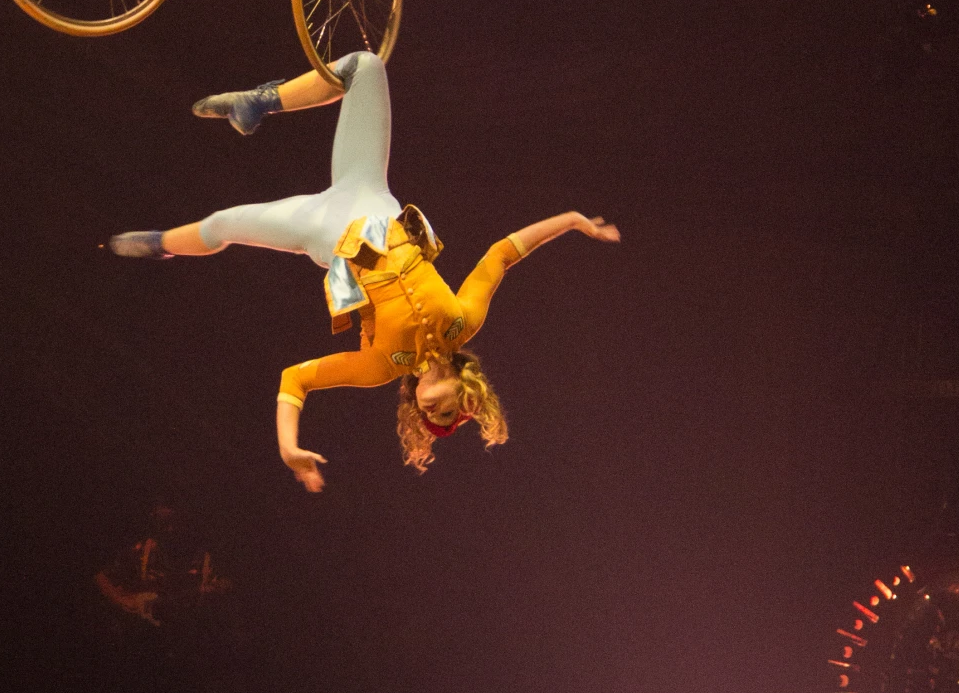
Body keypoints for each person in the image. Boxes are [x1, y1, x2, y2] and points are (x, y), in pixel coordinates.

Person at [110, 53, 619, 491]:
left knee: (222, 225)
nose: (434, 411)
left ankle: (160, 246)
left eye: (429, 417)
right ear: (467, 394)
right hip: (372, 194)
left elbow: (297, 379)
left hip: (324, 232)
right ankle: (260, 100)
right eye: (448, 414)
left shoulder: (381, 367)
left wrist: (289, 448)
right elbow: (502, 255)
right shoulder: (464, 321)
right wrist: (571, 221)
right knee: (366, 65)